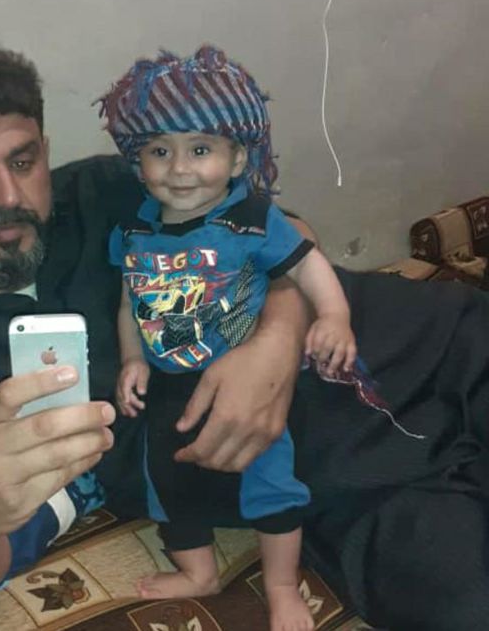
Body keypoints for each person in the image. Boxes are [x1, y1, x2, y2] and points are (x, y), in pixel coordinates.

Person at [0, 42, 307, 600]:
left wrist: (277, 343)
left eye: (23, 163)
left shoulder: (107, 192)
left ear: (44, 154)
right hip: (309, 479)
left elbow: (291, 232)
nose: (7, 197)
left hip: (360, 360)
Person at [98, 45, 356, 631]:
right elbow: (129, 301)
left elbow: (307, 265)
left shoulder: (252, 218)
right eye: (159, 151)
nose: (179, 168)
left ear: (237, 158)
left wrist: (334, 316)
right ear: (139, 162)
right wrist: (133, 358)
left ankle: (283, 586)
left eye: (199, 150)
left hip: (246, 380)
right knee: (169, 483)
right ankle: (199, 573)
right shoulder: (133, 229)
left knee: (272, 486)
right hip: (170, 383)